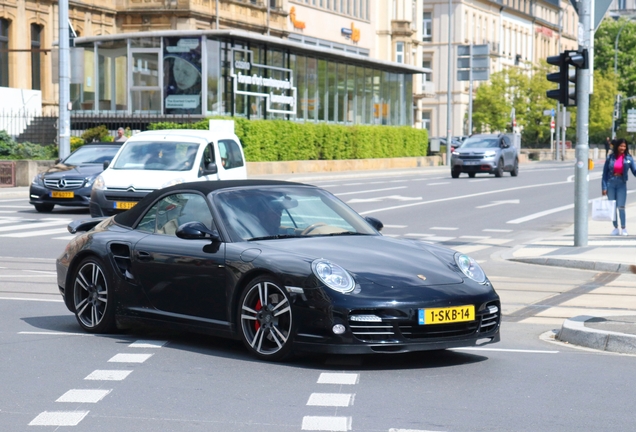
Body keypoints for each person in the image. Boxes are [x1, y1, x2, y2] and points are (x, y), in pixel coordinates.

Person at [602, 138, 636, 236]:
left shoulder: (628, 158)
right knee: (612, 207)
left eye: (624, 146)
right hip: (610, 183)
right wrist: (604, 187)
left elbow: (634, 171)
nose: (622, 148)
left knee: (621, 207)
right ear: (617, 146)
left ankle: (624, 228)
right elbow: (604, 173)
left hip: (621, 183)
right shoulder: (610, 158)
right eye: (621, 146)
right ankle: (615, 228)